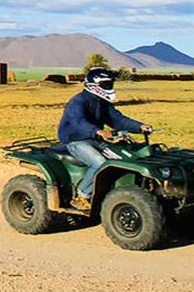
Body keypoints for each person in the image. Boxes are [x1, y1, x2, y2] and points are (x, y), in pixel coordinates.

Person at [57, 67, 152, 210]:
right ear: (94, 86)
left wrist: (139, 126)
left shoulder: (101, 102)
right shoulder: (78, 101)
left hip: (95, 139)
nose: (109, 87)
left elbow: (118, 120)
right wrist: (97, 131)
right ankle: (82, 196)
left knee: (122, 157)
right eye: (106, 85)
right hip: (76, 141)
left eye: (110, 84)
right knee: (100, 162)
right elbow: (78, 122)